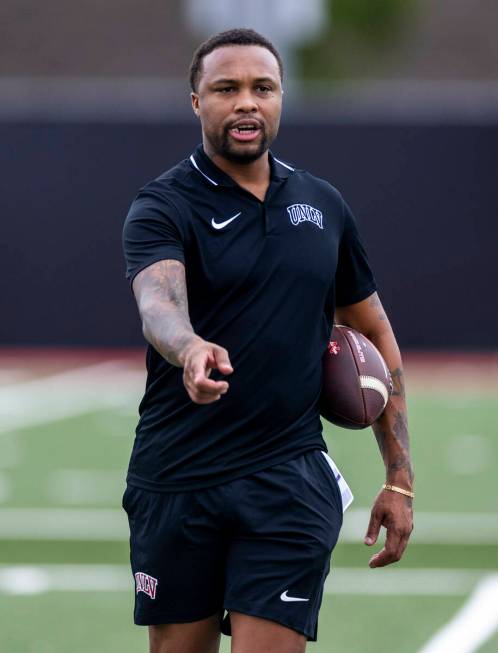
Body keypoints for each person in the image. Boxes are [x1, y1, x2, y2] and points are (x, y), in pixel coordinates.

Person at [122, 28, 413, 653]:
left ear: (281, 98)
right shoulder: (162, 205)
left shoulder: (322, 205)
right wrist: (189, 347)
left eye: (263, 88)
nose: (246, 102)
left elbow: (373, 331)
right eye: (226, 89)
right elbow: (158, 303)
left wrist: (399, 478)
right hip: (177, 476)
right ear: (197, 102)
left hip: (288, 477)